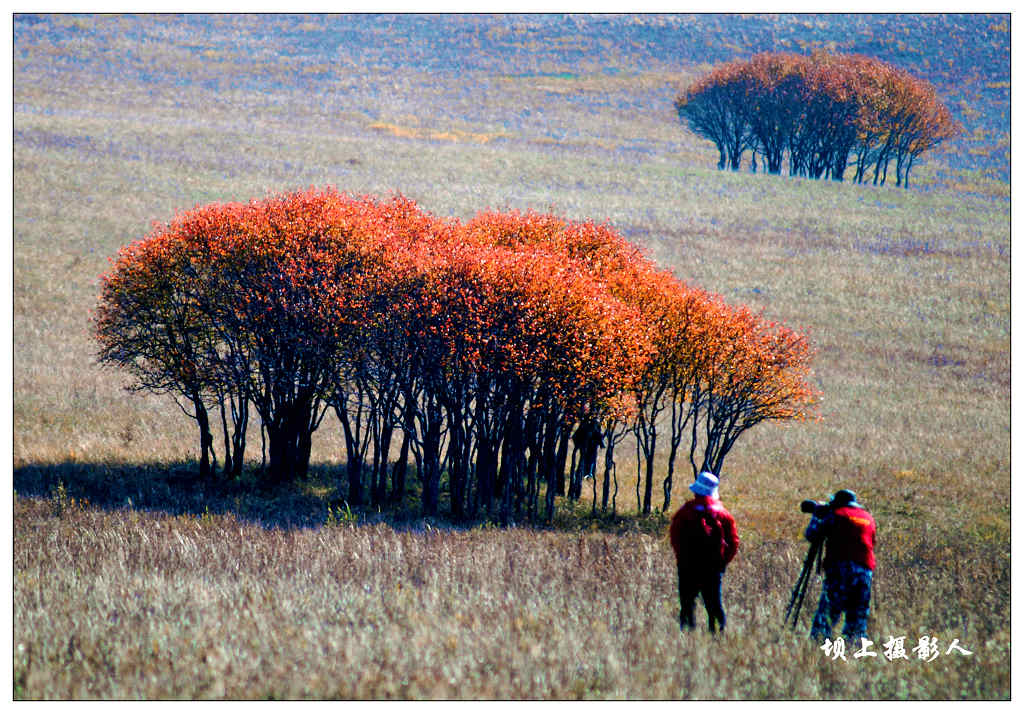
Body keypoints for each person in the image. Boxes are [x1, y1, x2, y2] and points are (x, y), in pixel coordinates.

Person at [669, 471, 739, 632]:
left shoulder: (685, 511)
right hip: (713, 567)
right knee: (714, 603)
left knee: (687, 603)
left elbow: (675, 538)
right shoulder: (723, 513)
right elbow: (733, 541)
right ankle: (717, 635)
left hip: (687, 566)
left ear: (696, 491)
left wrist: (683, 559)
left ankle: (687, 635)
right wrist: (722, 562)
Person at [805, 489, 877, 643]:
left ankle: (818, 650)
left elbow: (812, 535)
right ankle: (854, 652)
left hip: (840, 571)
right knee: (857, 620)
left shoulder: (836, 515)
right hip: (865, 574)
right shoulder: (868, 518)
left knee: (827, 616)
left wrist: (817, 515)